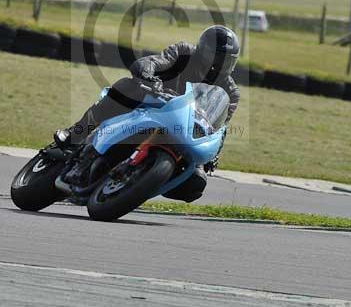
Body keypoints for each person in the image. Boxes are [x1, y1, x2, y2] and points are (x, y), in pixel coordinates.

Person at [54, 25, 241, 202]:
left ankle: (141, 183)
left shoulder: (230, 90)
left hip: (185, 128)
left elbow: (220, 125)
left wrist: (213, 154)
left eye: (228, 59)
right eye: (217, 57)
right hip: (152, 104)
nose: (222, 63)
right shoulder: (184, 53)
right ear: (203, 50)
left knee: (196, 181)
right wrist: (148, 75)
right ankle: (76, 132)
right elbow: (155, 62)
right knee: (124, 87)